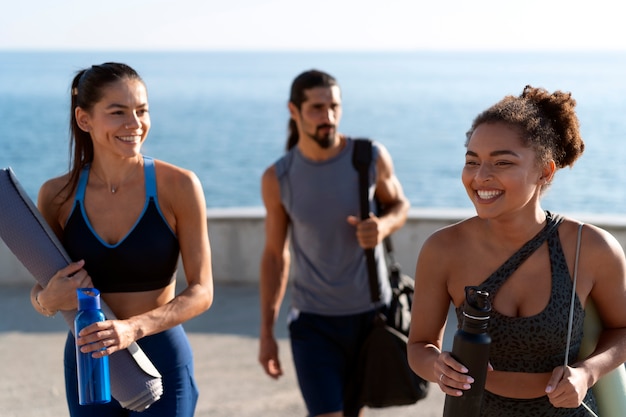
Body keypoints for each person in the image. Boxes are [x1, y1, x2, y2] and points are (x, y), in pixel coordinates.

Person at [407, 85, 626, 416]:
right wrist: (437, 366)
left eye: (502, 163)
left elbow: (622, 331)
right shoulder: (443, 249)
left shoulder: (591, 248)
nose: (480, 177)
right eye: (472, 161)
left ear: (545, 171)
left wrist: (586, 373)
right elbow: (419, 346)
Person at [29, 62, 213, 417]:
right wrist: (48, 299)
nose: (135, 124)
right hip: (89, 362)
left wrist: (133, 328)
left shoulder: (179, 186)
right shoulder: (58, 196)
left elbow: (202, 291)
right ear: (85, 120)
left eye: (142, 111)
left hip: (161, 358)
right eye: (118, 113)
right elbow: (41, 291)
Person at [258, 69, 410, 417]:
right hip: (313, 323)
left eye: (334, 107)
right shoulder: (278, 177)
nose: (328, 117)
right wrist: (266, 332)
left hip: (372, 319)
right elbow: (274, 256)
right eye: (316, 108)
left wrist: (382, 226)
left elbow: (401, 206)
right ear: (293, 111)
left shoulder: (369, 157)